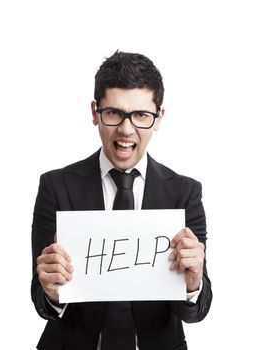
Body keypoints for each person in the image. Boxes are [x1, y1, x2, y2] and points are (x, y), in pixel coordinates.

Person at [31, 51, 212, 350]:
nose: (126, 130)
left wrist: (193, 285)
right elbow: (40, 299)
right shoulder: (55, 186)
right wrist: (51, 292)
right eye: (114, 113)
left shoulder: (185, 193)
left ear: (158, 118)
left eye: (141, 115)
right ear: (95, 112)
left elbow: (197, 309)